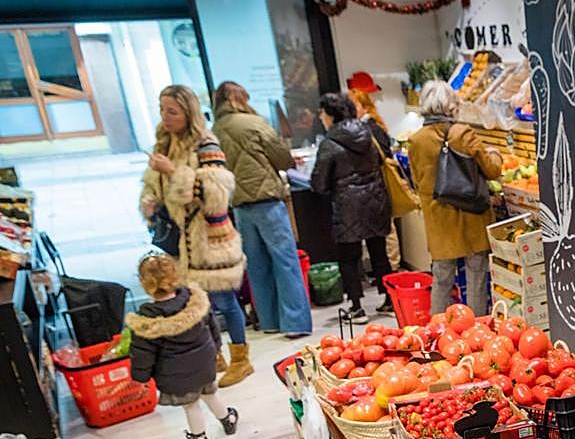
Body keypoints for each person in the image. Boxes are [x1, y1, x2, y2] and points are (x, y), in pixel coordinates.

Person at [139, 84, 254, 388]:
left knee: (224, 300)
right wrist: (150, 200)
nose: (165, 117)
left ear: (187, 112)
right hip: (177, 240)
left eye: (172, 111)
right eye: (162, 109)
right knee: (196, 302)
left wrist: (174, 172)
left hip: (208, 238)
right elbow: (151, 184)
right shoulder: (163, 142)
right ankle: (214, 354)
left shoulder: (206, 144)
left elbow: (216, 193)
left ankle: (241, 359)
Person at [211, 81, 313, 339]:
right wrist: (290, 159)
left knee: (256, 265)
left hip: (239, 205)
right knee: (286, 261)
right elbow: (280, 156)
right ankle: (295, 323)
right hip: (267, 201)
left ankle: (268, 320)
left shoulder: (214, 131)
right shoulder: (253, 123)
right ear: (240, 99)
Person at [128, 253, 239, 439]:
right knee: (209, 393)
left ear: (145, 283)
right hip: (205, 361)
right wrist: (216, 348)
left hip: (176, 372)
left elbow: (143, 353)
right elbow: (212, 326)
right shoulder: (193, 299)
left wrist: (140, 377)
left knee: (191, 405)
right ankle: (228, 419)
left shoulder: (148, 318)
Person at [406, 80, 502, 315]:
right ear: (451, 105)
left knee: (441, 278)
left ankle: (438, 330)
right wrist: (495, 154)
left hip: (438, 219)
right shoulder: (463, 134)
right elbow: (492, 170)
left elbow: (418, 182)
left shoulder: (416, 141)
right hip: (471, 215)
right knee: (476, 275)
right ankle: (477, 330)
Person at [310, 92, 394, 319]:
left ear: (330, 115)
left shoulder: (329, 143)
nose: (320, 116)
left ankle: (357, 308)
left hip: (347, 208)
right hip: (375, 201)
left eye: (322, 112)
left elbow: (319, 183)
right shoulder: (368, 131)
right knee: (379, 253)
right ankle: (389, 300)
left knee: (349, 258)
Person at [348, 71, 403, 276]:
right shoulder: (372, 124)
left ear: (363, 106)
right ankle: (390, 267)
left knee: (387, 229)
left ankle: (393, 268)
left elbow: (382, 155)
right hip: (377, 186)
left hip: (379, 184)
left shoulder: (370, 127)